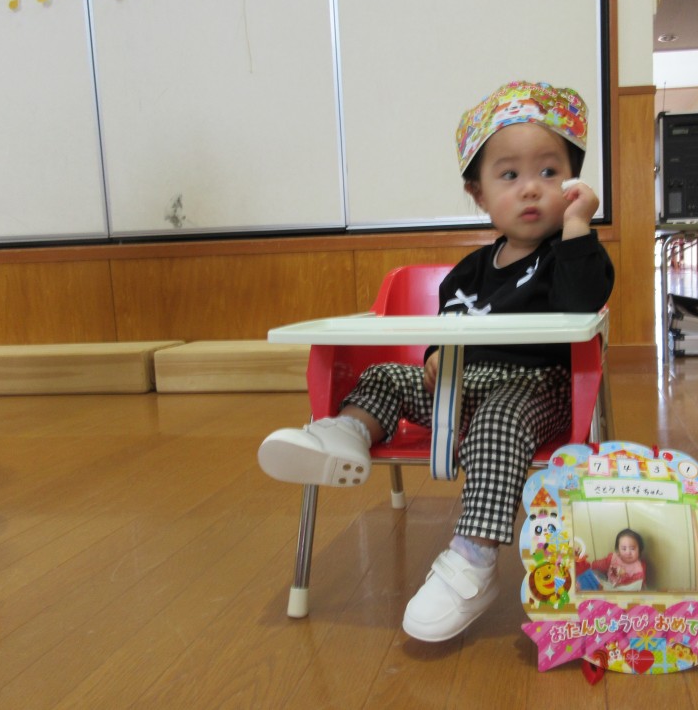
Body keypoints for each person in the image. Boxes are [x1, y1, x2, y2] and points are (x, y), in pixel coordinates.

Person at [258, 80, 614, 641]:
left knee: (498, 421)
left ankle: (473, 559)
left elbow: (579, 307)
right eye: (509, 175)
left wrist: (577, 228)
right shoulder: (467, 272)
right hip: (459, 389)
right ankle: (345, 435)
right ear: (479, 194)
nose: (530, 189)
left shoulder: (570, 257)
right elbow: (445, 329)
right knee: (383, 375)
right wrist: (433, 356)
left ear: (573, 185)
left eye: (549, 173)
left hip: (535, 391)